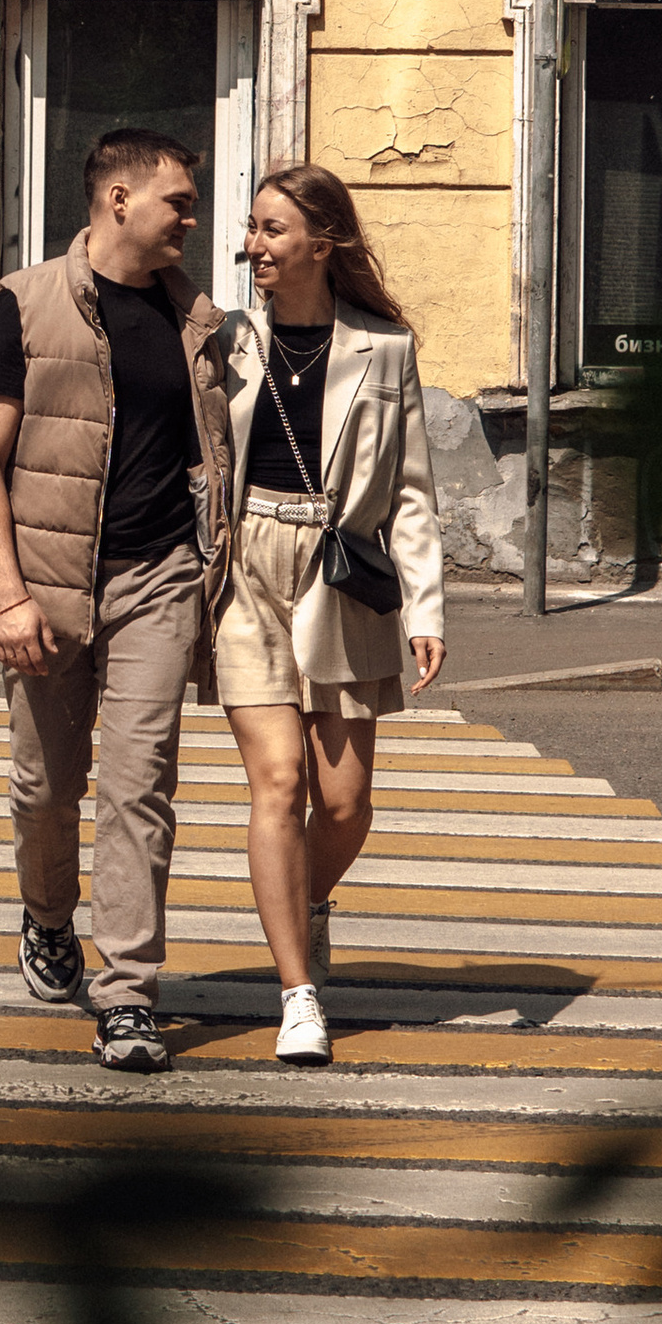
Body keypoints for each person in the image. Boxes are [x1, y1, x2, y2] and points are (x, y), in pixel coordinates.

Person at [0, 129, 233, 1075]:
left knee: (139, 785)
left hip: (157, 579)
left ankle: (126, 997)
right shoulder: (25, 306)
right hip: (44, 583)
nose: (193, 219)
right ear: (119, 199)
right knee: (45, 789)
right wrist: (8, 597)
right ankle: (46, 916)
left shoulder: (198, 322)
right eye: (179, 204)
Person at [217, 163, 446, 1069]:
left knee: (344, 801)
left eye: (271, 230)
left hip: (343, 571)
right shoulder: (227, 339)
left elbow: (415, 494)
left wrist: (426, 610)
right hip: (244, 566)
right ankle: (298, 993)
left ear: (323, 241)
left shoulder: (385, 349)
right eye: (251, 228)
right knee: (277, 784)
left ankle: (301, 901)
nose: (252, 246)